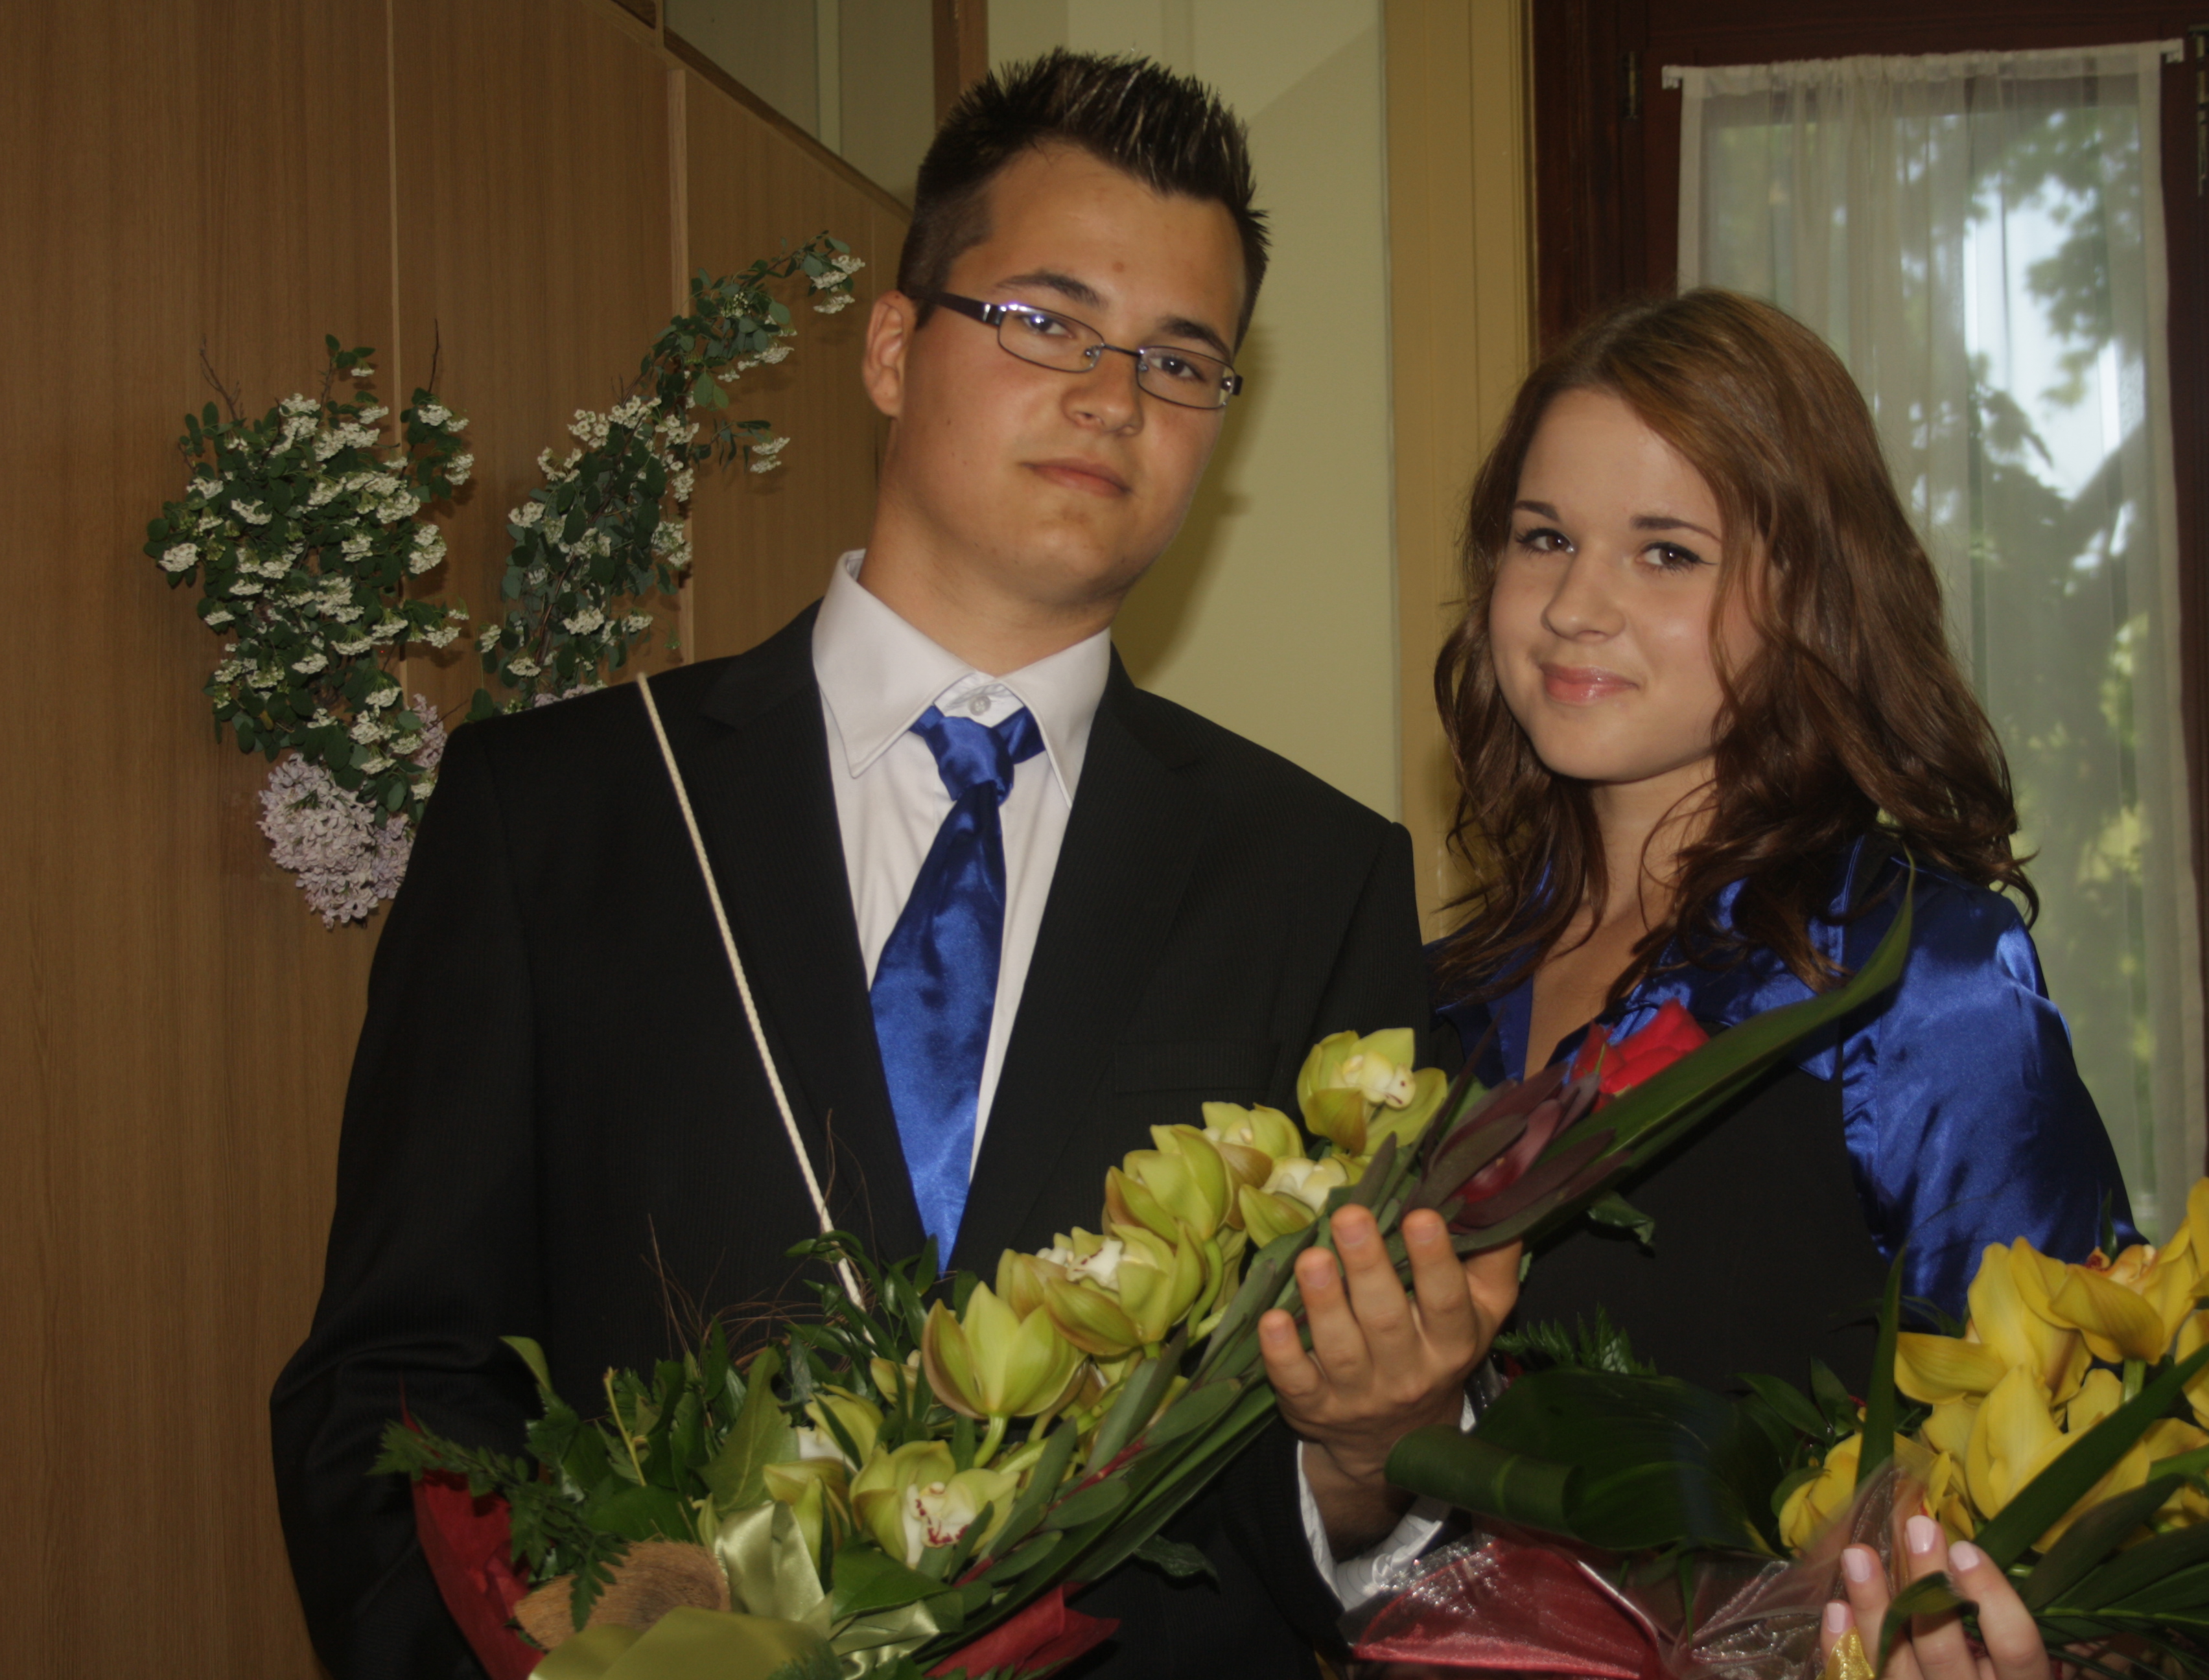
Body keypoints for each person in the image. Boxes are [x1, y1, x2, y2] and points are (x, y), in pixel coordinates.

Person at [271, 52, 1511, 1680]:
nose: (1114, 397)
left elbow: (1318, 1495)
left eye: (1180, 360)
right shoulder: (558, 814)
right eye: (1047, 320)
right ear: (888, 346)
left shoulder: (1312, 876)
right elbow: (396, 1388)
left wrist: (1367, 1461)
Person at [1428, 287, 2139, 1394]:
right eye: (1546, 537)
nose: (1573, 605)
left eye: (1667, 553)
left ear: (1813, 593)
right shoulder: (1431, 999)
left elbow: (2060, 1432)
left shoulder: (1918, 981)